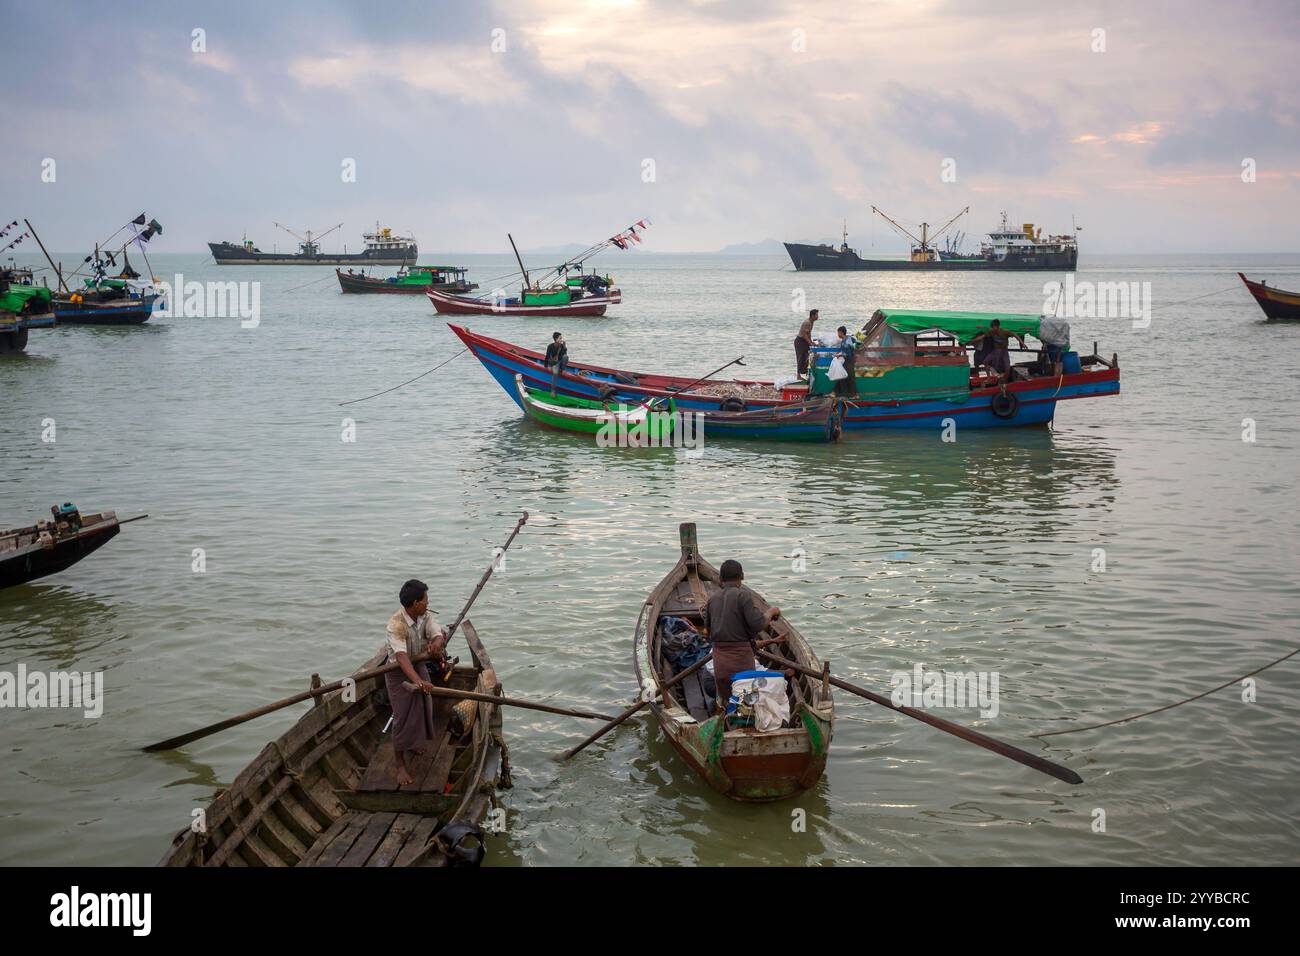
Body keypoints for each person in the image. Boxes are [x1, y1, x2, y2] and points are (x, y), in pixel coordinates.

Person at [384, 579, 449, 787]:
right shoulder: (396, 625)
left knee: (424, 703)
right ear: (414, 604)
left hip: (418, 662)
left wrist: (436, 645)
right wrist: (418, 680)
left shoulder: (424, 616)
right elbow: (401, 657)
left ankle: (414, 743)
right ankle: (400, 764)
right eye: (425, 600)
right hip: (396, 671)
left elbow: (437, 634)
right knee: (402, 716)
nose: (427, 603)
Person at [701, 559, 781, 710]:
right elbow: (758, 625)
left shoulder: (712, 600)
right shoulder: (743, 596)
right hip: (742, 667)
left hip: (721, 667)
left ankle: (725, 715)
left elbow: (709, 632)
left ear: (720, 579)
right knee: (747, 699)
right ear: (742, 577)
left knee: (727, 699)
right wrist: (772, 612)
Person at [794, 309, 818, 379]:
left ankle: (805, 373)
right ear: (812, 316)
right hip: (800, 341)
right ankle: (798, 375)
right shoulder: (807, 322)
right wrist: (810, 343)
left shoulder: (811, 322)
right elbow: (804, 335)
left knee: (807, 357)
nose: (818, 316)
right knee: (800, 358)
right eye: (816, 315)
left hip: (804, 341)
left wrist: (811, 342)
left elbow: (808, 334)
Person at [834, 325, 857, 397]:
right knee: (842, 375)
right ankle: (840, 392)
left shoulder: (846, 342)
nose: (837, 334)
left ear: (841, 332)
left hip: (849, 360)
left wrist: (839, 355)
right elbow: (855, 342)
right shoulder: (848, 338)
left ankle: (853, 394)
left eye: (838, 333)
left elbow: (848, 353)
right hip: (847, 360)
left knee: (850, 377)